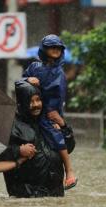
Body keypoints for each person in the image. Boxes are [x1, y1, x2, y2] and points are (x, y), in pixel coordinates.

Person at [23, 34, 77, 190]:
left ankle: (69, 171)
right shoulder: (34, 67)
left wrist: (60, 121)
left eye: (57, 48)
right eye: (51, 47)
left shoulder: (59, 74)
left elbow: (58, 98)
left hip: (49, 113)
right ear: (44, 49)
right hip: (32, 110)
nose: (55, 50)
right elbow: (21, 82)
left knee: (55, 135)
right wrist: (28, 80)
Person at [0, 80, 65, 198]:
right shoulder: (10, 125)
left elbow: (69, 147)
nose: (36, 105)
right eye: (30, 101)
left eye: (38, 100)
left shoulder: (48, 120)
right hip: (25, 196)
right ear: (22, 102)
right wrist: (18, 150)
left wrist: (64, 127)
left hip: (55, 194)